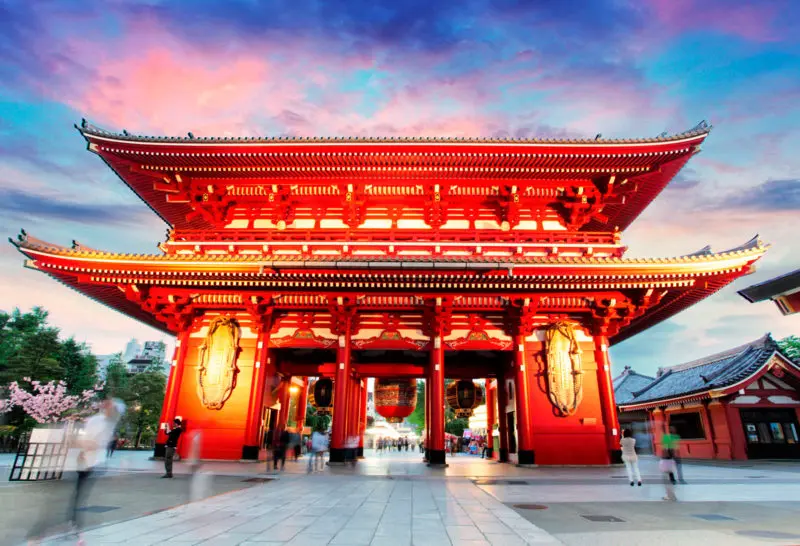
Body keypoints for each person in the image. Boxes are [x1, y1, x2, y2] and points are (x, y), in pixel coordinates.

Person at [71, 399, 125, 530]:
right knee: (79, 488)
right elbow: (86, 437)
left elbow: (97, 441)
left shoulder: (108, 422)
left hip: (95, 460)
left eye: (110, 407)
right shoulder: (97, 420)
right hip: (86, 458)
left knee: (81, 489)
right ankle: (74, 519)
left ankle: (74, 519)